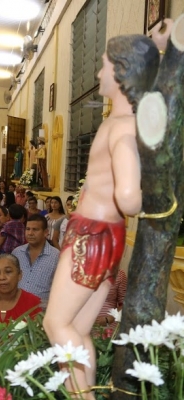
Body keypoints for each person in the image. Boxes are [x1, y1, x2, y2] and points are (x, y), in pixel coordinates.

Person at [43, 27, 166, 396]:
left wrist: (158, 204)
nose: (98, 74)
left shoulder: (123, 130)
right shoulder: (119, 122)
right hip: (98, 235)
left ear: (122, 71)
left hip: (92, 235)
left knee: (56, 324)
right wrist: (156, 48)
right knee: (77, 329)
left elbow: (128, 197)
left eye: (103, 66)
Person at [12, 214, 59, 309]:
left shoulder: (56, 256)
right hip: (17, 309)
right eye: (28, 229)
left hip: (42, 311)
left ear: (46, 232)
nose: (30, 233)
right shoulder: (17, 252)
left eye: (35, 229)